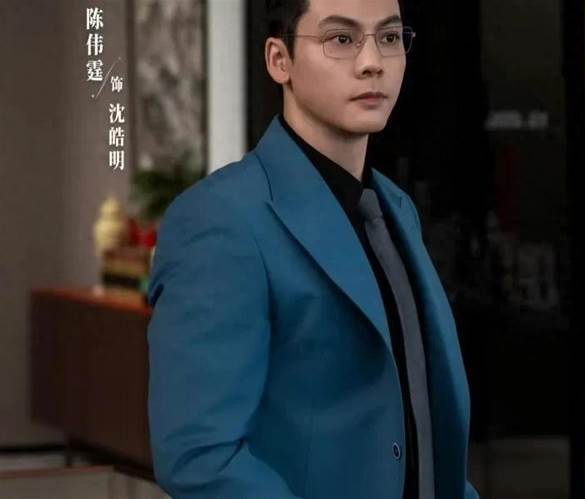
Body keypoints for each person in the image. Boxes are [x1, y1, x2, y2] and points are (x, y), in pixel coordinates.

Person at [145, 0, 479, 498]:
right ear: (279, 60)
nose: (373, 62)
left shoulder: (396, 209)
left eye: (389, 38)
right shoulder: (222, 219)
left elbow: (422, 432)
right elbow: (199, 455)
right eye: (341, 39)